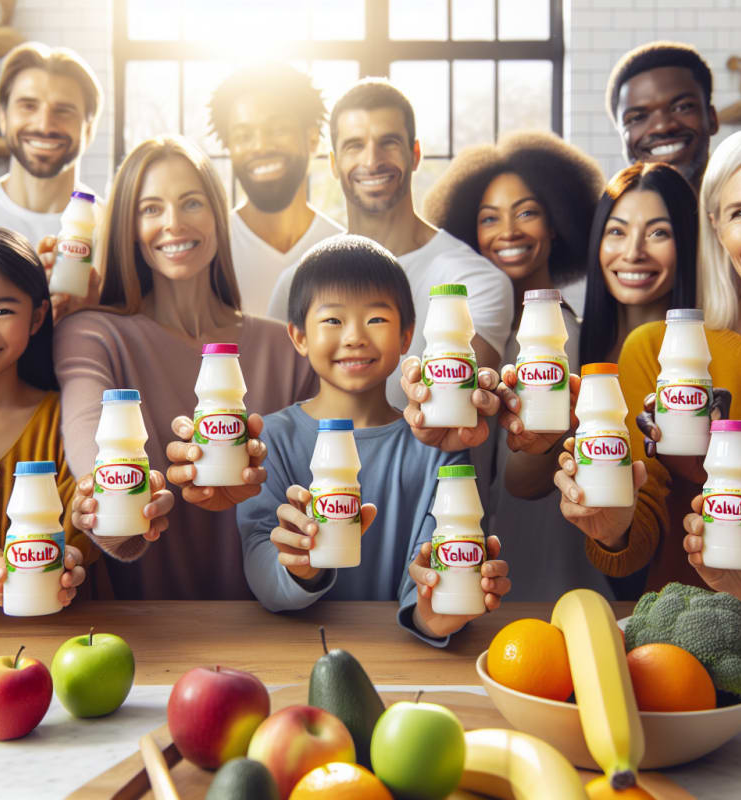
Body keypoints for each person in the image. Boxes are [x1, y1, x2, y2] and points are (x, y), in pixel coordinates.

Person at [57, 135, 317, 600]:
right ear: (128, 228)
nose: (173, 224)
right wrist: (113, 517)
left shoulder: (287, 348)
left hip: (280, 616)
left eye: (191, 202)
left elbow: (314, 499)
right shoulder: (93, 335)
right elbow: (99, 471)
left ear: (218, 215)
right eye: (151, 208)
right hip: (148, 637)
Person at [239, 235, 510, 644]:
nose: (354, 337)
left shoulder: (438, 450)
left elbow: (436, 563)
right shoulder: (269, 439)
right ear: (298, 337)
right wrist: (297, 568)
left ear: (406, 337)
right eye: (333, 320)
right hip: (290, 651)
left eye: (376, 320)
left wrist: (432, 612)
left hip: (403, 655)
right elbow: (259, 551)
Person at [555, 119, 741, 604]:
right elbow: (636, 538)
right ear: (715, 225)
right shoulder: (656, 349)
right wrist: (612, 527)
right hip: (686, 653)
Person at [422, 131, 611, 600]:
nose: (508, 231)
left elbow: (523, 481)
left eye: (527, 211)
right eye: (489, 218)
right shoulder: (478, 333)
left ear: (555, 224)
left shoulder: (556, 333)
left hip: (542, 569)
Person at [267, 78, 513, 412]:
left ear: (415, 154)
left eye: (389, 142)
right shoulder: (295, 283)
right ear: (334, 164)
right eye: (354, 145)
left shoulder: (475, 282)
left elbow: (449, 411)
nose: (372, 160)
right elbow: (280, 415)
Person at [0, 226, 88, 606]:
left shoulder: (66, 421)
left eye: (3, 310)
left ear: (38, 317)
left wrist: (68, 560)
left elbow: (77, 540)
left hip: (58, 636)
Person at [208, 63, 342, 315]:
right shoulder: (208, 252)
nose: (260, 146)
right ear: (229, 148)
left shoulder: (343, 249)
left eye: (278, 130)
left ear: (312, 140)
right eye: (243, 136)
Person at [0, 42, 103, 249]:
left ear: (89, 128)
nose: (44, 125)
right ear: (2, 118)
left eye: (63, 110)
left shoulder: (112, 229)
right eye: (28, 106)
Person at [579, 162, 699, 366]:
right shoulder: (566, 345)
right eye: (617, 231)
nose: (633, 253)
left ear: (688, 242)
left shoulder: (712, 351)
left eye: (658, 233)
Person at [606, 41, 718, 193]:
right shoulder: (603, 214)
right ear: (621, 134)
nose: (662, 126)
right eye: (638, 117)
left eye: (682, 108)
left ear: (712, 118)